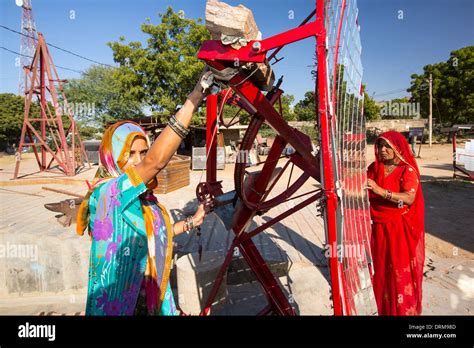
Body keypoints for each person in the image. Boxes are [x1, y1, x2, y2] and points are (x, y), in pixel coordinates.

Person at [76, 73, 211, 315]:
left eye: (143, 152)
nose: (138, 160)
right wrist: (196, 96)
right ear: (111, 155)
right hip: (117, 306)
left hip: (148, 302)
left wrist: (193, 220)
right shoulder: (108, 193)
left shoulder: (142, 198)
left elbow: (157, 232)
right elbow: (155, 162)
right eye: (130, 153)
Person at [366, 131, 425, 315]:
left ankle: (403, 310)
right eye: (380, 146)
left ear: (397, 148)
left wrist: (381, 191)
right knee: (382, 271)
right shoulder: (374, 168)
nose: (382, 150)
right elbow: (362, 188)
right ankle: (384, 309)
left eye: (387, 146)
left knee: (399, 271)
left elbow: (408, 198)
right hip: (379, 227)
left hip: (398, 228)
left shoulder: (406, 170)